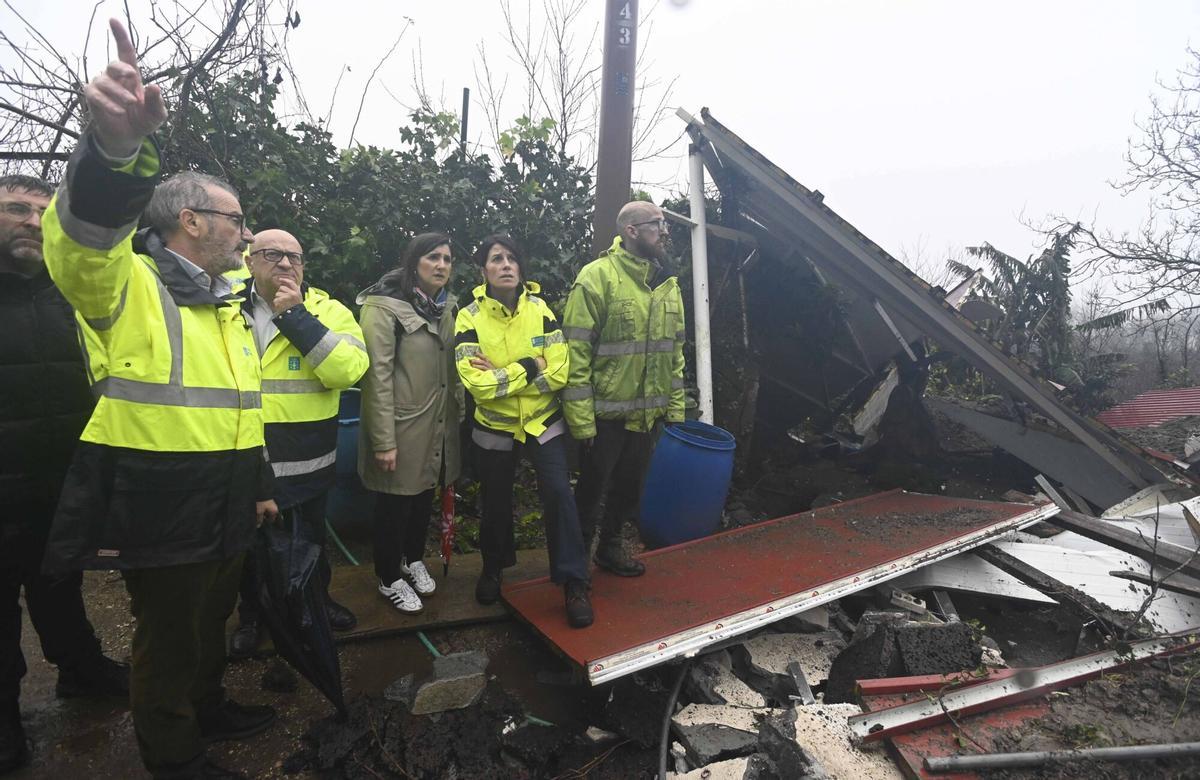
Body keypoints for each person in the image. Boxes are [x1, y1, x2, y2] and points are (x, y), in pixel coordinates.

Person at [41, 20, 278, 779]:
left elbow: (242, 406)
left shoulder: (228, 300)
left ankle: (209, 708)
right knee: (168, 641)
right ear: (192, 220)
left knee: (210, 626)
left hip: (230, 495)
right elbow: (79, 241)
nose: (246, 235)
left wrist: (262, 486)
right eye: (237, 220)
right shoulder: (126, 282)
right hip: (162, 502)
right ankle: (175, 759)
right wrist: (112, 154)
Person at [0, 174, 130, 773]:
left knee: (59, 585)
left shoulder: (67, 293)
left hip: (61, 478)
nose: (32, 221)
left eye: (43, 213)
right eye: (16, 208)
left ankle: (81, 671)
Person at [228, 229, 368, 659]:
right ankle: (253, 616)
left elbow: (349, 371)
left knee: (310, 540)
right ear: (249, 261)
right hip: (243, 458)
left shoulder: (327, 310)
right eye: (272, 254)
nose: (286, 264)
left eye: (296, 257)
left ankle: (316, 604)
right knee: (248, 549)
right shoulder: (222, 304)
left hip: (308, 460)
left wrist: (297, 318)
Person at [454, 235, 592, 627]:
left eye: (512, 258)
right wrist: (532, 366)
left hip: (542, 423)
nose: (506, 265)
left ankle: (574, 582)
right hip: (494, 428)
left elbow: (561, 372)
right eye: (496, 259)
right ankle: (493, 569)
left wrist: (503, 375)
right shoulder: (469, 318)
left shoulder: (542, 310)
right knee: (495, 502)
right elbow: (475, 385)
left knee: (559, 497)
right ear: (483, 271)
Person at [562, 201, 687, 577]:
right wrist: (582, 422)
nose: (665, 231)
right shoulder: (596, 277)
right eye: (656, 224)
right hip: (604, 418)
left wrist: (676, 412)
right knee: (590, 494)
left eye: (665, 224)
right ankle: (576, 568)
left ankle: (609, 548)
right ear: (631, 231)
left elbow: (675, 355)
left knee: (629, 489)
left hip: (646, 418)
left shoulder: (668, 287)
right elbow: (575, 355)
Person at [358, 233, 463, 614]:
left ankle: (411, 558)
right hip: (400, 425)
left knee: (423, 496)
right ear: (413, 263)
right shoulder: (383, 307)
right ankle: (388, 576)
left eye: (447, 259)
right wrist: (383, 440)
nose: (441, 265)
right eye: (432, 257)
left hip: (437, 423)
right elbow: (377, 377)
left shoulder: (446, 307)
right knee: (393, 503)